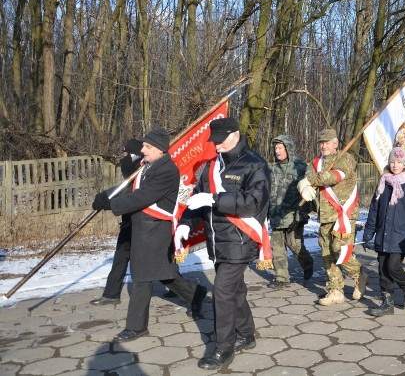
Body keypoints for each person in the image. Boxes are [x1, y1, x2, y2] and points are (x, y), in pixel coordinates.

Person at [92, 129, 208, 343]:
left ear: (160, 149)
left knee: (142, 276)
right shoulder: (147, 167)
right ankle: (195, 294)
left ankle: (136, 327)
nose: (142, 150)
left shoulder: (167, 170)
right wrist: (106, 195)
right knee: (164, 274)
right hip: (144, 228)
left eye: (147, 147)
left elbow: (144, 197)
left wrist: (112, 204)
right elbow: (131, 189)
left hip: (156, 230)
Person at [177, 117, 271, 370]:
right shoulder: (211, 167)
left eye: (220, 140)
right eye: (214, 141)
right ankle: (246, 334)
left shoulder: (255, 165)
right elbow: (198, 201)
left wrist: (216, 198)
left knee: (222, 292)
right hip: (217, 241)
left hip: (240, 239)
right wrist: (185, 223)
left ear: (235, 135)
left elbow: (253, 203)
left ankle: (222, 348)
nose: (216, 145)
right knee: (235, 290)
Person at [297, 128, 368, 306]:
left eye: (327, 142)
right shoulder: (315, 163)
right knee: (327, 252)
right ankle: (335, 290)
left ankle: (358, 273)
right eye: (321, 143)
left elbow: (334, 176)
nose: (323, 146)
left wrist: (309, 181)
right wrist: (302, 186)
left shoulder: (346, 159)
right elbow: (307, 178)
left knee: (340, 249)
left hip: (344, 213)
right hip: (325, 215)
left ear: (335, 144)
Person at [363, 147, 405, 316]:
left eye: (399, 162)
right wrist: (369, 232)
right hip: (383, 234)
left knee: (393, 266)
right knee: (383, 269)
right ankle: (387, 302)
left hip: (401, 236)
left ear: (404, 164)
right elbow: (374, 210)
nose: (395, 165)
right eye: (392, 161)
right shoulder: (383, 183)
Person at [90, 139, 143, 305]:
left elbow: (134, 193)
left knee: (158, 263)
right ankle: (111, 293)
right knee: (121, 255)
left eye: (127, 153)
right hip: (130, 220)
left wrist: (110, 202)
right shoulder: (133, 167)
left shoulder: (142, 168)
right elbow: (126, 186)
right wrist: (106, 195)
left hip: (143, 222)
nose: (124, 156)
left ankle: (193, 294)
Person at [268, 135, 314, 288]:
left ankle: (307, 263)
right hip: (276, 214)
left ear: (288, 148)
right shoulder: (273, 169)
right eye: (275, 148)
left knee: (295, 245)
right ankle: (281, 278)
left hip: (294, 214)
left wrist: (302, 212)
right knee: (277, 247)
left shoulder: (300, 167)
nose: (277, 151)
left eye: (280, 148)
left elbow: (308, 189)